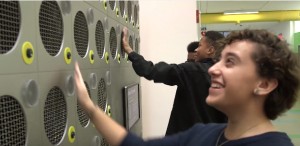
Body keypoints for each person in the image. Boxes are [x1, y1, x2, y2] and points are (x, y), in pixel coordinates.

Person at [74, 29, 300, 146]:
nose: (213, 70)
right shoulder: (204, 135)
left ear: (264, 84)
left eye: (230, 62)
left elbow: (152, 71)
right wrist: (90, 108)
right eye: (220, 61)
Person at [123, 27, 227, 135]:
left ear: (210, 50)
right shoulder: (226, 76)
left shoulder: (191, 70)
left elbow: (151, 71)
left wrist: (129, 51)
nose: (196, 49)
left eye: (200, 45)